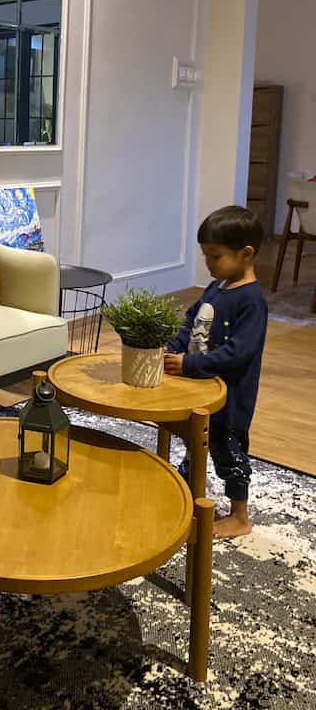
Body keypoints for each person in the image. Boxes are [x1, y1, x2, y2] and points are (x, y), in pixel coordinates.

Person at [164, 205, 268, 539]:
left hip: (231, 396)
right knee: (197, 439)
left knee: (228, 451)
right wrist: (175, 348)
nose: (208, 263)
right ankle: (184, 491)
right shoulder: (216, 288)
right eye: (205, 255)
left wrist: (191, 364)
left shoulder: (252, 301)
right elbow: (191, 322)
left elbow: (238, 353)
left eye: (216, 256)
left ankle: (239, 516)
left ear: (246, 253)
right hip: (201, 389)